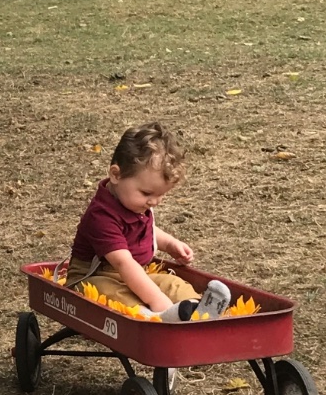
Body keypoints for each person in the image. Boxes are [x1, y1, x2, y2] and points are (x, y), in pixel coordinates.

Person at [66, 122, 230, 320]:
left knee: (172, 283)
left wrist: (169, 243)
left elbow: (146, 229)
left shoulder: (133, 203)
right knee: (109, 292)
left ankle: (197, 310)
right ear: (116, 175)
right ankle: (152, 317)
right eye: (146, 193)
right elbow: (123, 263)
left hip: (135, 275)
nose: (154, 202)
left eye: (161, 195)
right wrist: (157, 300)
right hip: (95, 277)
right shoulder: (101, 216)